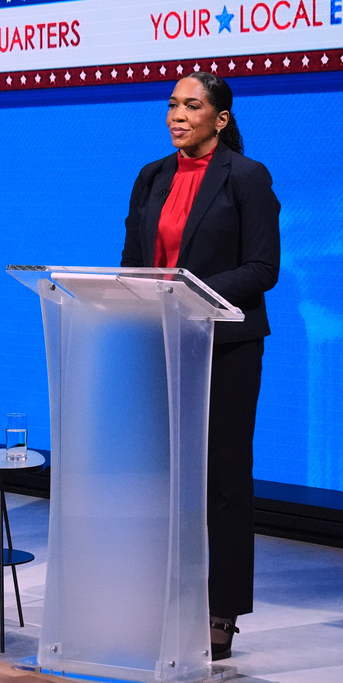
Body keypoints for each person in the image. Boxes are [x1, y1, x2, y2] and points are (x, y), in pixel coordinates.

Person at [121, 73, 280, 659]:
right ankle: (165, 600)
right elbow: (134, 261)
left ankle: (220, 613)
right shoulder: (152, 176)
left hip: (227, 350)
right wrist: (135, 300)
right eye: (172, 104)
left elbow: (263, 268)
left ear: (221, 118)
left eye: (192, 106)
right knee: (162, 482)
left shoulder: (247, 177)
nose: (177, 115)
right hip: (160, 345)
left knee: (222, 484)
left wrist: (189, 293)